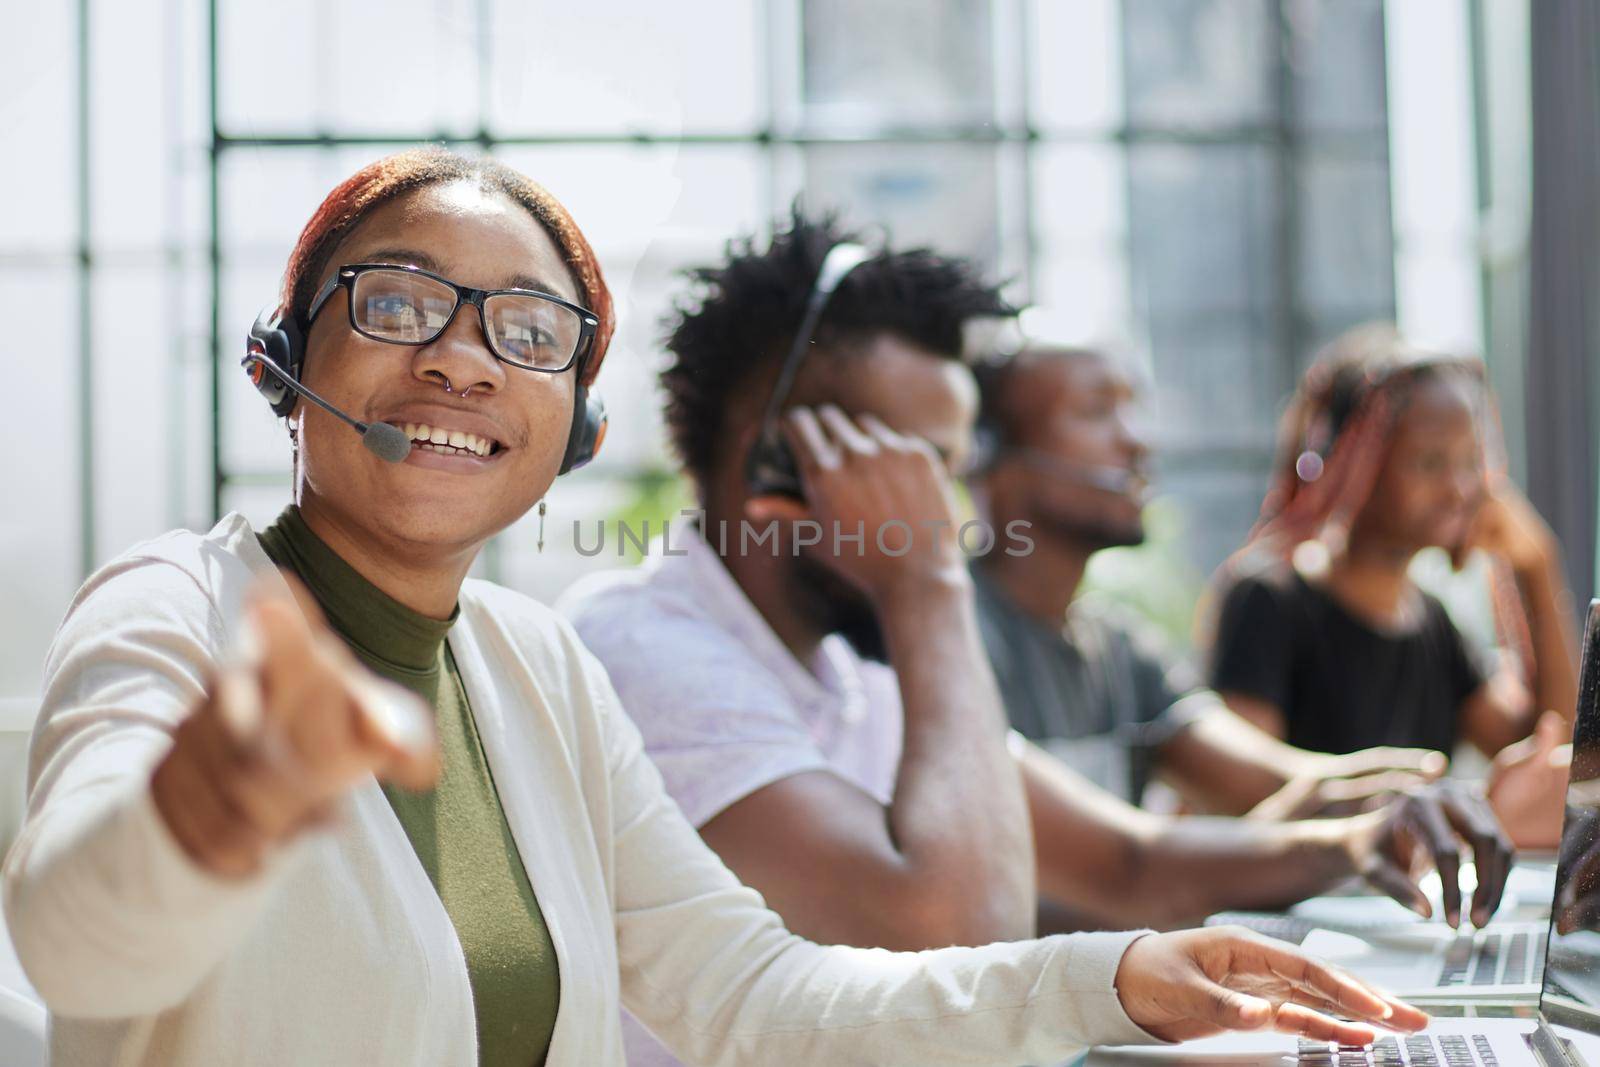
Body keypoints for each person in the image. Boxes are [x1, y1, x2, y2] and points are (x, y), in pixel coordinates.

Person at [1, 150, 1432, 1067]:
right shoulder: (174, 607)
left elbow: (759, 996)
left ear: (572, 421)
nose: (457, 358)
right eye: (393, 304)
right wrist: (215, 801)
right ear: (281, 357)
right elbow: (72, 941)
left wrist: (1111, 977)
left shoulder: (534, 665)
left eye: (528, 331)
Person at [561, 214, 1495, 1067]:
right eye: (925, 469)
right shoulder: (649, 651)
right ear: (780, 461)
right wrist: (927, 584)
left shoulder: (847, 665)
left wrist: (1358, 838)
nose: (955, 511)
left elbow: (1129, 864)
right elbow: (948, 929)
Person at [969, 339, 1447, 817]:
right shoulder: (954, 641)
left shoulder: (1118, 650)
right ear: (986, 457)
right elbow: (1125, 862)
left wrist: (1419, 794)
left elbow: (1273, 780)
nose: (1138, 441)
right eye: (1096, 412)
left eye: (1131, 409)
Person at [1205, 325, 1578, 774]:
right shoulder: (1269, 601)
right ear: (1353, 464)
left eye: (1469, 462)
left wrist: (1538, 566)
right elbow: (1245, 787)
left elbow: (1550, 756)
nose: (1460, 489)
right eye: (1430, 463)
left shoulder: (1431, 623)